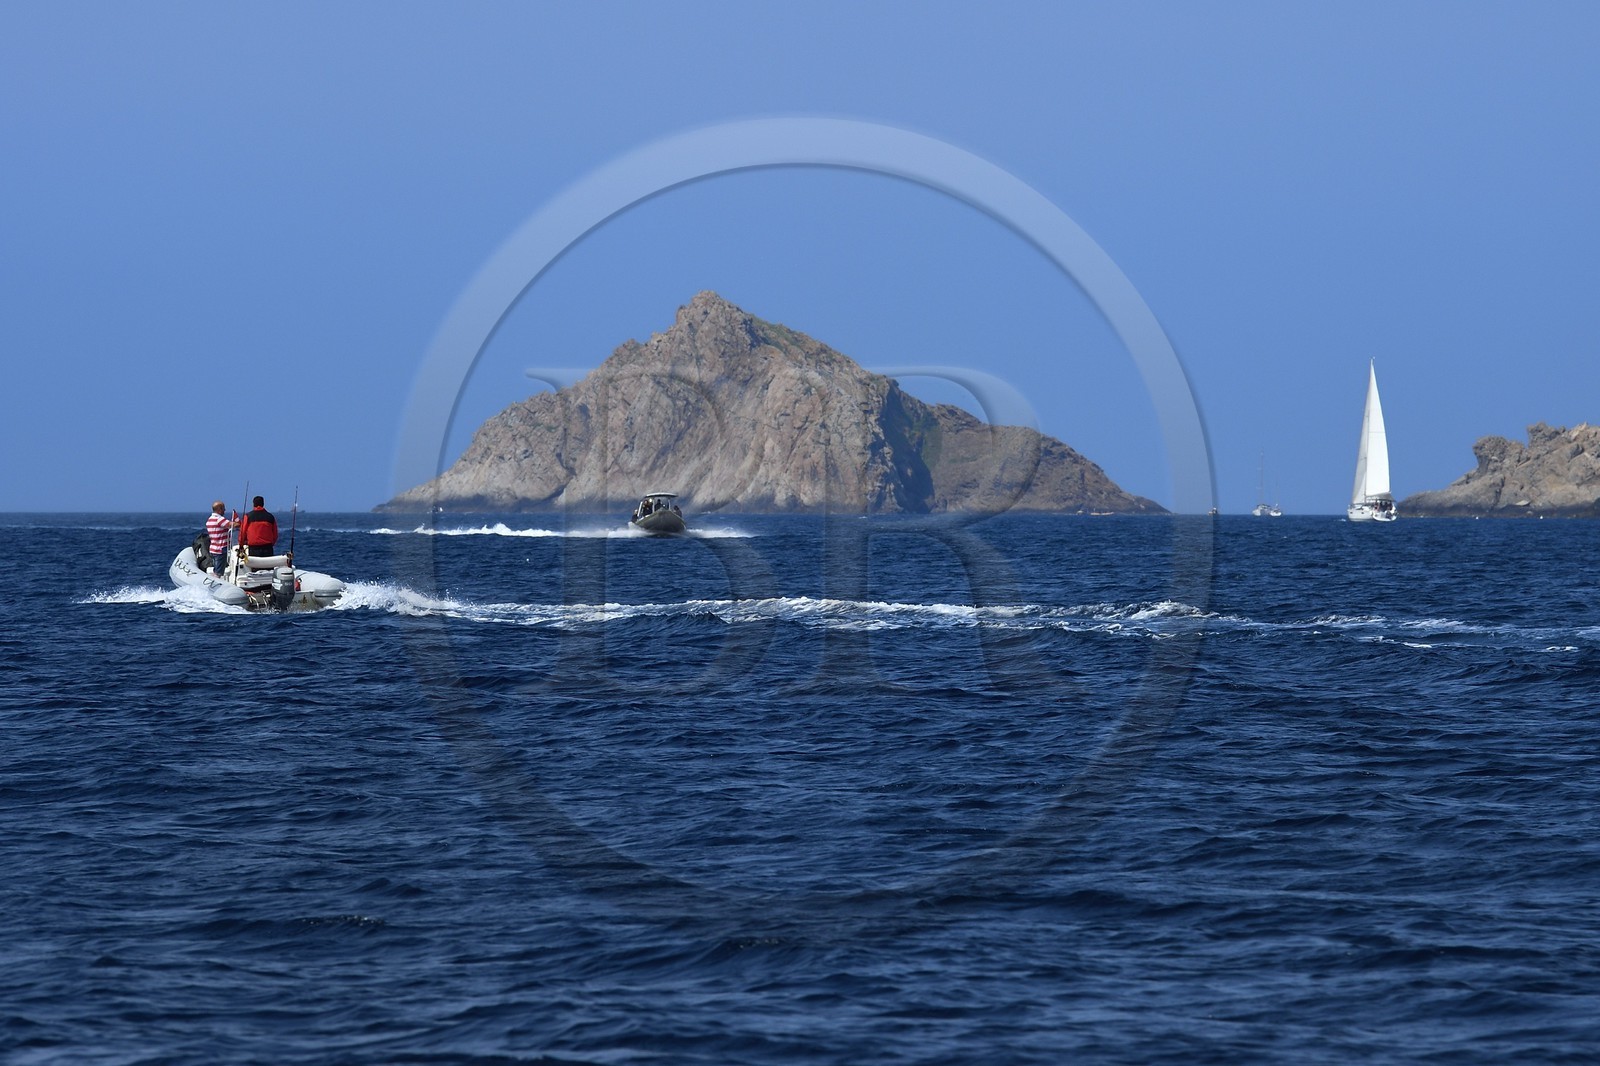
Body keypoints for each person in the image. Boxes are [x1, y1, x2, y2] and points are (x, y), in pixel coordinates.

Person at [204, 500, 234, 576]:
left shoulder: (210, 520)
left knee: (216, 569)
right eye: (223, 508)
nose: (225, 510)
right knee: (218, 573)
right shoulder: (219, 519)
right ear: (219, 509)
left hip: (213, 549)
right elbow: (233, 525)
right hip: (221, 549)